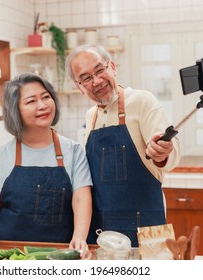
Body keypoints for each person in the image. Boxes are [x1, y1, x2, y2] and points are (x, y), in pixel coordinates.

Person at [0, 73, 92, 251]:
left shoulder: (74, 151)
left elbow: (81, 199)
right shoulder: (0, 156)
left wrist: (79, 238)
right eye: (31, 101)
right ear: (15, 111)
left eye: (46, 97)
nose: (43, 105)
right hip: (8, 252)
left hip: (59, 252)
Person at [66, 44, 181, 247]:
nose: (97, 81)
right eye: (86, 78)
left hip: (147, 231)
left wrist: (161, 154)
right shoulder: (90, 116)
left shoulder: (142, 101)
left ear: (112, 67)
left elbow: (171, 155)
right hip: (103, 234)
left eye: (100, 70)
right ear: (79, 87)